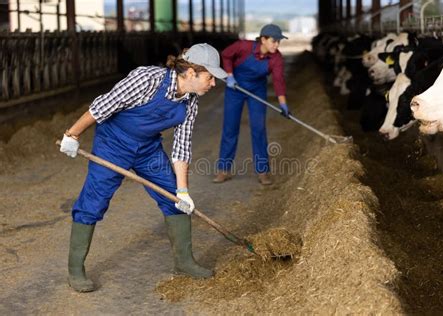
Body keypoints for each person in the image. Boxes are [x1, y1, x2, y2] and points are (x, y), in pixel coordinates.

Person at [59, 43, 227, 292]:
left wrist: (182, 191)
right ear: (191, 73)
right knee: (93, 201)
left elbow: (182, 147)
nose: (213, 84)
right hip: (113, 145)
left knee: (173, 200)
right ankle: (75, 270)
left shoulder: (190, 103)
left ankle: (184, 262)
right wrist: (71, 135)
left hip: (147, 150)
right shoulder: (146, 79)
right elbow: (103, 106)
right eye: (210, 77)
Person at [214, 24, 290, 185]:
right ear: (263, 39)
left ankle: (262, 171)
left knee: (259, 128)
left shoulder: (276, 58)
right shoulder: (244, 46)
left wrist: (283, 104)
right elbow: (226, 55)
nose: (276, 45)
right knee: (230, 128)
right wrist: (229, 75)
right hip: (235, 88)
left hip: (257, 91)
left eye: (278, 42)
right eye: (274, 41)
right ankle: (224, 170)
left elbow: (278, 81)